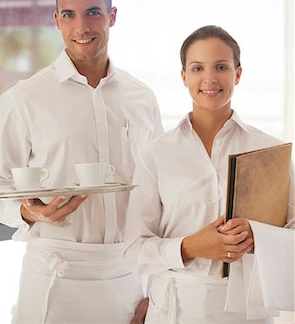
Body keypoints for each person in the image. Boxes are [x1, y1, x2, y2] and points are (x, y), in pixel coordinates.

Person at [0, 0, 163, 324]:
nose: (82, 26)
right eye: (69, 15)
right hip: (54, 275)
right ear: (56, 20)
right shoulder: (24, 99)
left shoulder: (142, 98)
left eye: (93, 12)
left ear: (112, 16)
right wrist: (31, 213)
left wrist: (157, 294)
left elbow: (159, 194)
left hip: (128, 277)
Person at [124, 25, 295, 323]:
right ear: (184, 77)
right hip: (174, 310)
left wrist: (259, 236)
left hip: (245, 312)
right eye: (197, 68)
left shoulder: (270, 151)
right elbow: (134, 250)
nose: (210, 79)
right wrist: (191, 246)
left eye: (221, 67)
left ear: (238, 74)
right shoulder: (156, 153)